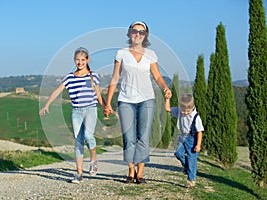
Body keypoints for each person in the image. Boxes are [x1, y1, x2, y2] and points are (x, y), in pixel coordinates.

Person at [104, 21, 172, 184]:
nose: (138, 34)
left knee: (143, 137)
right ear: (129, 33)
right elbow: (114, 79)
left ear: (145, 35)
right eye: (135, 31)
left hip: (147, 100)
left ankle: (140, 173)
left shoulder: (151, 54)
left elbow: (157, 76)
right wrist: (107, 103)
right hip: (126, 100)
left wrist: (164, 88)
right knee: (129, 137)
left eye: (142, 32)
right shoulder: (121, 54)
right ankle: (130, 170)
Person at [39, 47, 105, 184]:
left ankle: (93, 160)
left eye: (82, 60)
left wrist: (105, 107)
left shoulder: (93, 76)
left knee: (88, 135)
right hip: (76, 111)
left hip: (90, 109)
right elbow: (57, 91)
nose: (80, 62)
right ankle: (79, 173)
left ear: (87, 60)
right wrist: (47, 105)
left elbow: (98, 94)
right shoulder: (70, 77)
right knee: (78, 141)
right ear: (74, 61)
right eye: (77, 60)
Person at [165, 93, 204, 188]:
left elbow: (200, 131)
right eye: (183, 111)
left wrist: (198, 145)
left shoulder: (196, 117)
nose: (185, 113)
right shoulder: (179, 111)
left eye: (188, 111)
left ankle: (191, 181)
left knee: (192, 160)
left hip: (192, 139)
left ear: (192, 107)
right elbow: (168, 109)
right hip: (182, 137)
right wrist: (167, 99)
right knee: (178, 153)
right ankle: (186, 166)